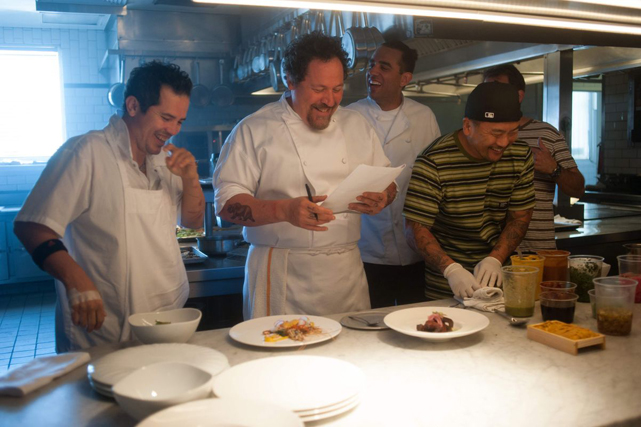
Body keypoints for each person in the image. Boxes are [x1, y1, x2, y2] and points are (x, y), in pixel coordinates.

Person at [14, 61, 205, 352]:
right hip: (106, 325)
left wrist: (191, 179)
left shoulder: (165, 160)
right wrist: (77, 281)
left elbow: (192, 223)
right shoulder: (86, 152)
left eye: (180, 121)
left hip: (166, 315)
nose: (172, 130)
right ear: (132, 106)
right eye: (166, 117)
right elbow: (31, 226)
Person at [213, 32, 396, 319]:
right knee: (283, 359)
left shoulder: (357, 124)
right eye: (319, 88)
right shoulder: (255, 129)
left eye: (337, 89)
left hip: (346, 273)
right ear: (290, 80)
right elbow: (226, 206)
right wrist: (284, 210)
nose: (330, 100)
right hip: (283, 273)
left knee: (349, 356)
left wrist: (383, 197)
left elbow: (389, 179)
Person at [404, 82, 535, 299]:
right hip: (447, 288)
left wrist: (495, 259)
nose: (504, 143)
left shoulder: (520, 155)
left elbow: (520, 217)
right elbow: (415, 229)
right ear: (467, 127)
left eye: (513, 132)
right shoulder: (434, 161)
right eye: (496, 133)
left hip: (498, 283)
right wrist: (451, 270)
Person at [346, 41, 440, 308]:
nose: (372, 71)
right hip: (367, 248)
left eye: (383, 66)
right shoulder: (349, 117)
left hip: (415, 249)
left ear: (405, 79)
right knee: (372, 325)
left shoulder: (424, 116)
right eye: (372, 64)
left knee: (416, 321)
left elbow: (434, 179)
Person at [483, 64, 585, 251]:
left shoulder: (545, 134)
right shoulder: (477, 135)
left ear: (519, 96)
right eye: (485, 89)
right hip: (487, 251)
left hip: (537, 250)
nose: (490, 95)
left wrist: (553, 169)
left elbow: (578, 188)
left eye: (497, 88)